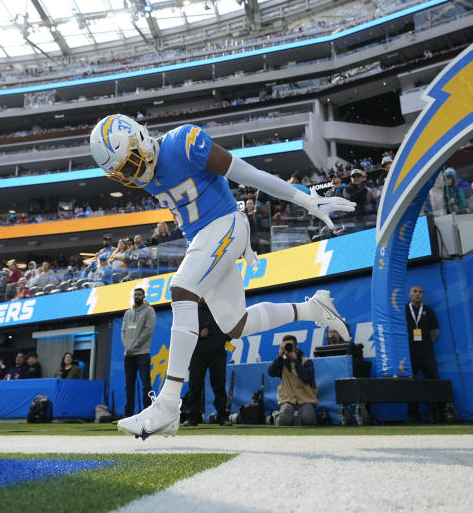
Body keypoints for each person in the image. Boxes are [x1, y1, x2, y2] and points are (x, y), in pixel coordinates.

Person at [90, 114, 354, 439]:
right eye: (123, 172)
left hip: (227, 223)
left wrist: (305, 200)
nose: (132, 173)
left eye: (130, 162)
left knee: (182, 289)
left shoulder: (184, 143)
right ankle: (314, 309)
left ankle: (169, 405)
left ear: (140, 138)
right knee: (235, 326)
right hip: (204, 238)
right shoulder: (145, 176)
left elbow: (249, 174)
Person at [182, 298, 229, 426]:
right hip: (198, 354)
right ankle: (192, 417)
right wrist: (198, 334)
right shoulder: (192, 311)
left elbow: (230, 327)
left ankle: (222, 417)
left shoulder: (220, 309)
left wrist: (222, 339)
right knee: (195, 385)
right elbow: (185, 332)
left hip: (217, 353)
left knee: (219, 386)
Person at [405, 285, 441, 422]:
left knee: (433, 380)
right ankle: (413, 415)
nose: (418, 294)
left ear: (423, 296)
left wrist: (425, 344)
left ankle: (437, 412)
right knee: (411, 383)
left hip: (426, 352)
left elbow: (435, 332)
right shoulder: (403, 310)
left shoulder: (428, 311)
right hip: (409, 353)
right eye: (415, 291)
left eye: (420, 292)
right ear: (409, 294)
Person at [267, 334, 318, 426]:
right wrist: (279, 356)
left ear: (296, 347)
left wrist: (295, 360)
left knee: (309, 420)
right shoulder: (281, 362)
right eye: (285, 346)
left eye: (290, 346)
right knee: (283, 421)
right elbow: (271, 372)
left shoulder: (307, 361)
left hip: (305, 400)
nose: (288, 348)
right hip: (287, 400)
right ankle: (276, 416)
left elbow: (306, 378)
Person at [122, 287, 156, 417]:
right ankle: (128, 415)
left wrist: (133, 346)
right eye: (135, 294)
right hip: (129, 355)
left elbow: (147, 332)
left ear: (144, 296)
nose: (137, 296)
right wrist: (127, 347)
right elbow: (123, 331)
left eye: (139, 294)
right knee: (129, 387)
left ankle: (147, 414)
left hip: (142, 354)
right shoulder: (127, 313)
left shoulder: (149, 311)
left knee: (146, 385)